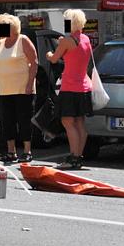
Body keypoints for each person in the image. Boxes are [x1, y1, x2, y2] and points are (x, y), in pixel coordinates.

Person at [46, 9, 93, 169]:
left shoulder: (67, 40)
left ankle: (73, 157)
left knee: (68, 122)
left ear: (69, 22)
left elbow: (53, 59)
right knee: (80, 123)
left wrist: (49, 53)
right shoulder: (86, 39)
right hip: (84, 86)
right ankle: (78, 156)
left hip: (70, 87)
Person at [0, 14, 37, 164]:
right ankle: (11, 151)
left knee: (24, 120)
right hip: (4, 89)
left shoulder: (23, 40)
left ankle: (27, 151)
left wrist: (30, 84)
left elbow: (34, 63)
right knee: (6, 121)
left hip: (23, 89)